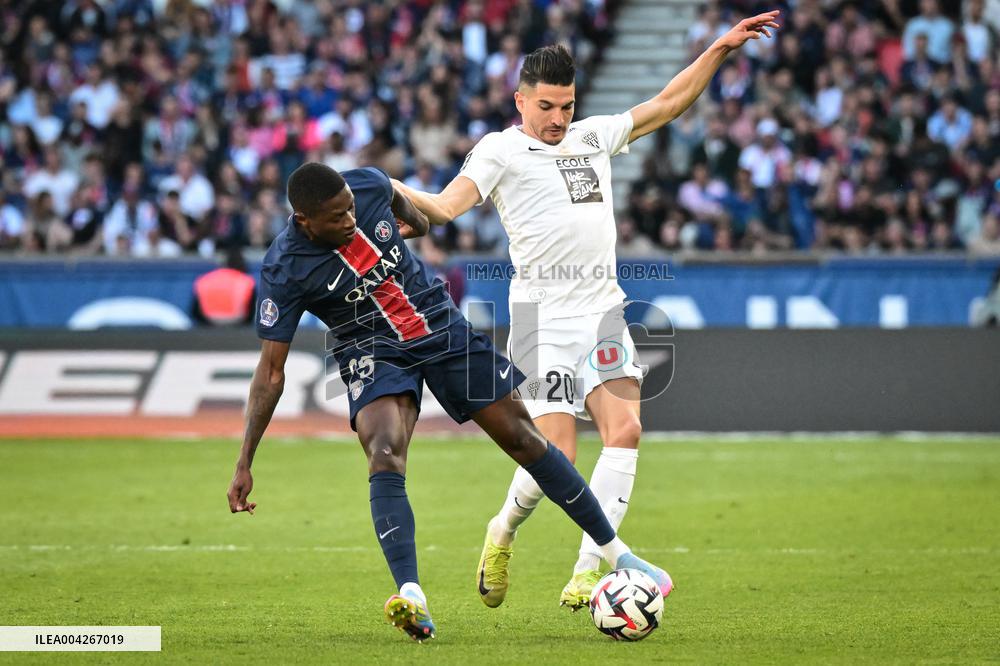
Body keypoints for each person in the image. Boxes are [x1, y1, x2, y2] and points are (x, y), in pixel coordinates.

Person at [394, 10, 781, 610]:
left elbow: (667, 104)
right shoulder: (499, 151)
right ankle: (502, 530)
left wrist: (721, 48)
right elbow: (445, 207)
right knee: (558, 451)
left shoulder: (593, 136)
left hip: (603, 310)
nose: (557, 119)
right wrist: (382, 188)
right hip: (541, 320)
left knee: (625, 429)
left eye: (566, 106)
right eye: (546, 107)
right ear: (521, 100)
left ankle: (587, 570)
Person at [225, 162, 673, 642]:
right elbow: (271, 373)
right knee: (384, 452)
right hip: (371, 349)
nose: (351, 220)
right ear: (304, 220)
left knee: (527, 440)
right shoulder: (283, 268)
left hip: (440, 326)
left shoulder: (370, 185)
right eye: (337, 217)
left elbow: (412, 214)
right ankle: (411, 595)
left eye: (351, 209)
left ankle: (618, 554)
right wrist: (245, 459)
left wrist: (414, 224)